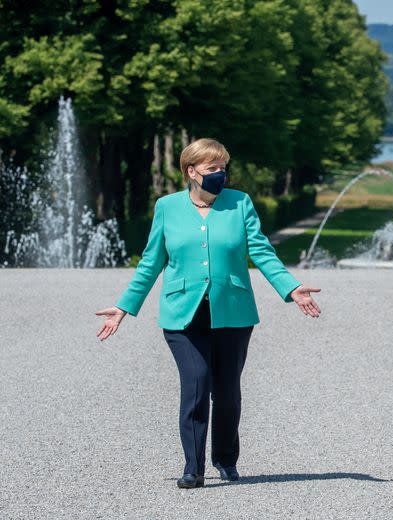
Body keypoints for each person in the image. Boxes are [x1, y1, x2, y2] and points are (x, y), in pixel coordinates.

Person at [95, 138, 321, 489]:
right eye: (212, 168)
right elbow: (152, 261)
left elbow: (260, 251)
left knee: (227, 392)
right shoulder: (167, 207)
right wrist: (124, 306)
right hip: (183, 315)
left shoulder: (240, 203)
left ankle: (226, 460)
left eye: (223, 167)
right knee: (197, 384)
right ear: (191, 171)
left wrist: (290, 287)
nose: (220, 174)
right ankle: (193, 467)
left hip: (232, 311)